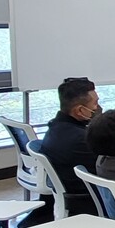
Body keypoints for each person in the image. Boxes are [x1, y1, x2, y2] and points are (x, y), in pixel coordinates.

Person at [37, 78, 101, 216]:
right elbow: (107, 166)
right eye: (95, 103)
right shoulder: (81, 139)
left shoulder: (55, 128)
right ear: (80, 110)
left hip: (68, 194)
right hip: (89, 200)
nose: (97, 108)